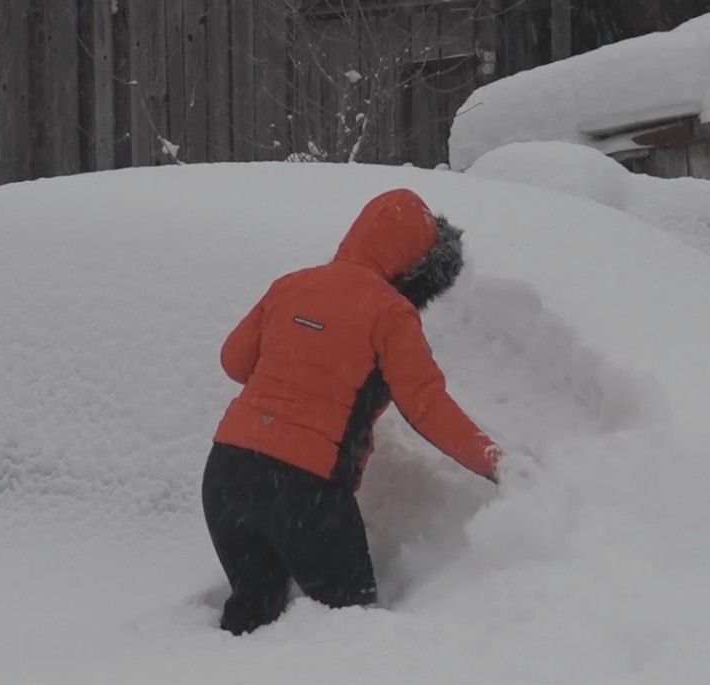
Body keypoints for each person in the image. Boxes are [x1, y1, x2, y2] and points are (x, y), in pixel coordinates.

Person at [202, 188, 502, 634]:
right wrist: (497, 462)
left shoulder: (292, 284)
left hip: (226, 476)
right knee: (351, 633)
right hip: (304, 493)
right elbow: (427, 406)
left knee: (254, 614)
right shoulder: (390, 313)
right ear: (418, 265)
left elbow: (233, 360)